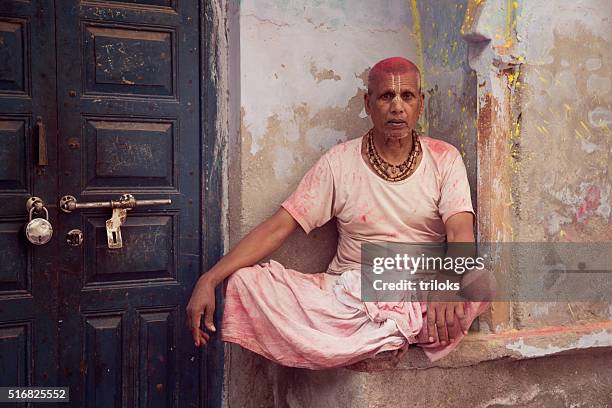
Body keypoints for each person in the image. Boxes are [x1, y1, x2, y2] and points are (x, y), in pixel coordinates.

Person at [186, 57, 493, 369]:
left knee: (480, 283)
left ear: (420, 104)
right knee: (244, 281)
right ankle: (389, 334)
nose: (397, 107)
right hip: (349, 298)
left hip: (418, 291)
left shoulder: (444, 158)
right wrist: (210, 278)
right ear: (368, 103)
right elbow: (278, 227)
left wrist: (448, 283)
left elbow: (459, 232)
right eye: (386, 96)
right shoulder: (339, 162)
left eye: (407, 96)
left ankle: (382, 334)